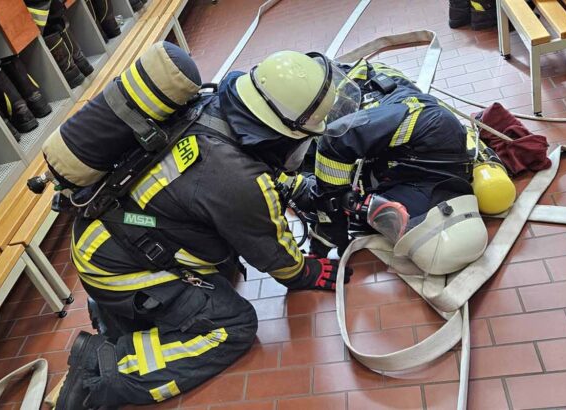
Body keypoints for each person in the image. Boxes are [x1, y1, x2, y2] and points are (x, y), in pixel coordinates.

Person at [56, 48, 361, 408]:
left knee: (220, 275)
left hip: (112, 230)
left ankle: (121, 314)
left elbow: (228, 185)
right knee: (232, 326)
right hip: (119, 266)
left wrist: (291, 189)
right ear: (283, 129)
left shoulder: (215, 105)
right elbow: (273, 253)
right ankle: (105, 368)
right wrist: (306, 271)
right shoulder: (239, 181)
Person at [289, 59, 493, 275]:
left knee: (304, 170)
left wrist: (338, 210)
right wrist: (331, 222)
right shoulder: (436, 127)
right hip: (346, 86)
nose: (387, 224)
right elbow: (336, 140)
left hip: (367, 125)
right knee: (298, 147)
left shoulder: (420, 178)